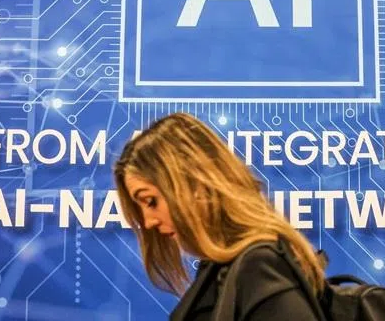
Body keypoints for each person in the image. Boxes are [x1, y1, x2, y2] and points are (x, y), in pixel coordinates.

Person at [114, 112, 325, 321]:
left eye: (151, 201)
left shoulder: (259, 267)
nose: (149, 221)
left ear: (195, 183)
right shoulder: (222, 268)